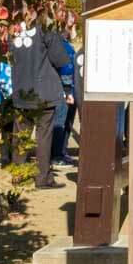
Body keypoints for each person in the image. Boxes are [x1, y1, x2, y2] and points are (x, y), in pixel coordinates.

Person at [8, 23, 72, 190]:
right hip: (44, 91)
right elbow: (61, 59)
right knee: (43, 136)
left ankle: (18, 175)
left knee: (20, 134)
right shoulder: (44, 27)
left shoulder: (12, 27)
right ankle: (42, 178)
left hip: (20, 88)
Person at [51, 31, 78, 167]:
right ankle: (56, 155)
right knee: (60, 122)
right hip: (64, 91)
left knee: (63, 122)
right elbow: (67, 69)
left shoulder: (59, 45)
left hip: (60, 89)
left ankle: (61, 152)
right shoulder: (64, 47)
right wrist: (69, 92)